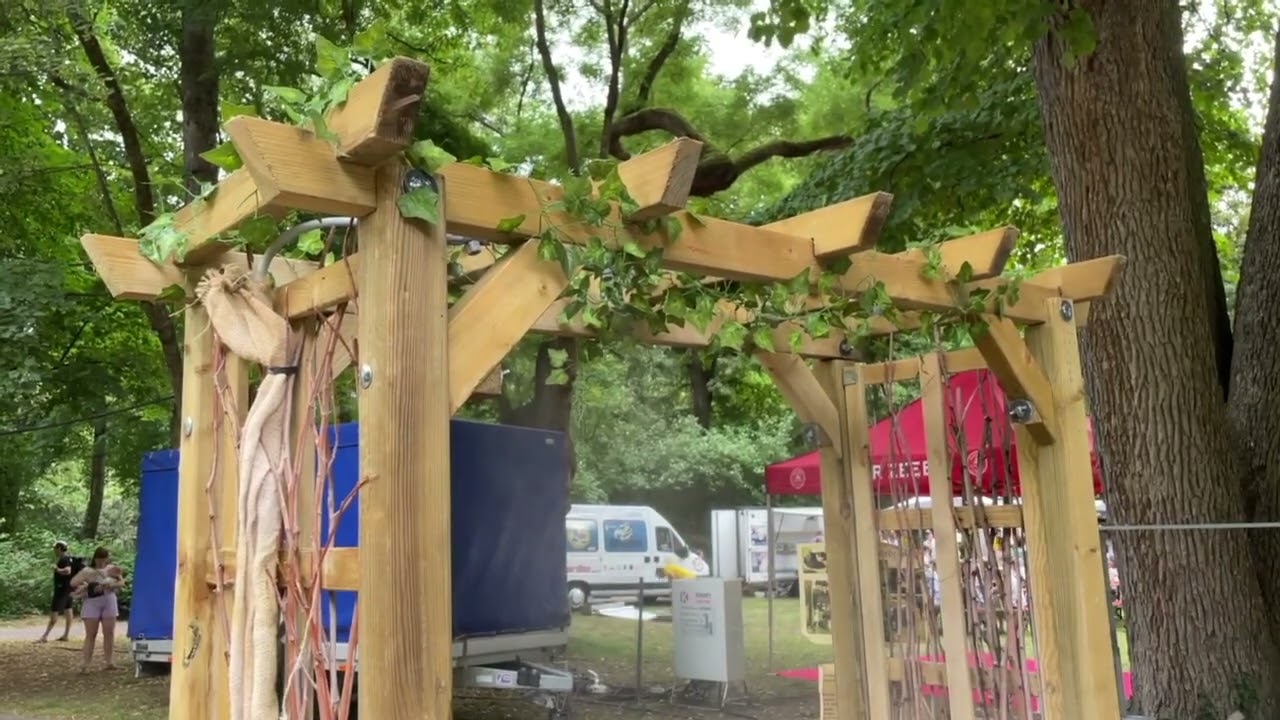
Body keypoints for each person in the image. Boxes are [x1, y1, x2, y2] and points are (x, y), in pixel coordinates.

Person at [70, 546, 126, 672]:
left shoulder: (111, 569)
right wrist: (87, 585)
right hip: (92, 602)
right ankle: (86, 664)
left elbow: (121, 583)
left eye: (103, 559)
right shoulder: (87, 571)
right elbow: (73, 582)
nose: (101, 562)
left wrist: (110, 584)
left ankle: (109, 661)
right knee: (91, 634)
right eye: (99, 559)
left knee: (109, 633)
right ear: (94, 558)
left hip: (109, 600)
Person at [35, 541, 75, 643]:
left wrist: (57, 569)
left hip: (61, 590)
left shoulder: (64, 559)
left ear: (60, 548)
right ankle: (66, 635)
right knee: (68, 610)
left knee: (54, 611)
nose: (54, 550)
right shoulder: (69, 558)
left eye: (55, 548)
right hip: (68, 589)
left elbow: (68, 571)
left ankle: (45, 636)